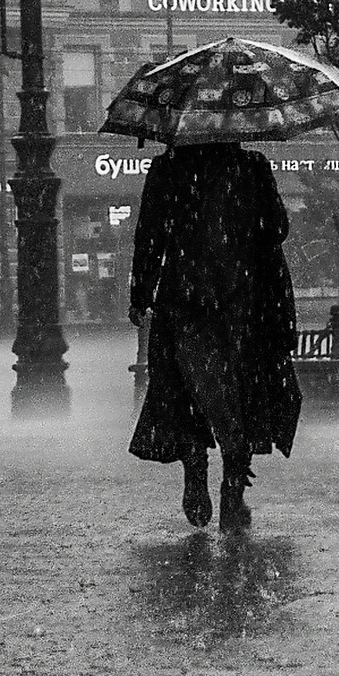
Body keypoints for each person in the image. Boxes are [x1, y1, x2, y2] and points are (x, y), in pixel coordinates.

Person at [128, 141, 302, 529]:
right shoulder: (251, 165)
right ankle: (233, 484)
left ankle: (195, 470)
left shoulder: (168, 168)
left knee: (188, 388)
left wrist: (141, 292)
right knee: (240, 389)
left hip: (186, 296)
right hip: (241, 297)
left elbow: (150, 233)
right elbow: (277, 228)